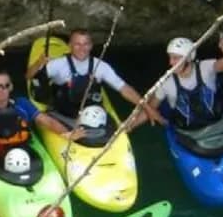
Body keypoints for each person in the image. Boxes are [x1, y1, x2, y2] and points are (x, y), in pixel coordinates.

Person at [26, 28, 162, 136]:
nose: (82, 48)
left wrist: (147, 108)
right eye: (77, 44)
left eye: (85, 44)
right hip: (63, 114)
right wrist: (38, 63)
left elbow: (124, 89)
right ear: (70, 46)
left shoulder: (100, 66)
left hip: (93, 115)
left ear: (91, 46)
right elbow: (29, 77)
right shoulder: (58, 64)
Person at [148, 35, 223, 129]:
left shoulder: (206, 67)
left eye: (175, 58)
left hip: (217, 121)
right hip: (188, 131)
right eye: (170, 58)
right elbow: (151, 107)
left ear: (188, 58)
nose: (170, 62)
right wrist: (160, 119)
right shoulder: (166, 83)